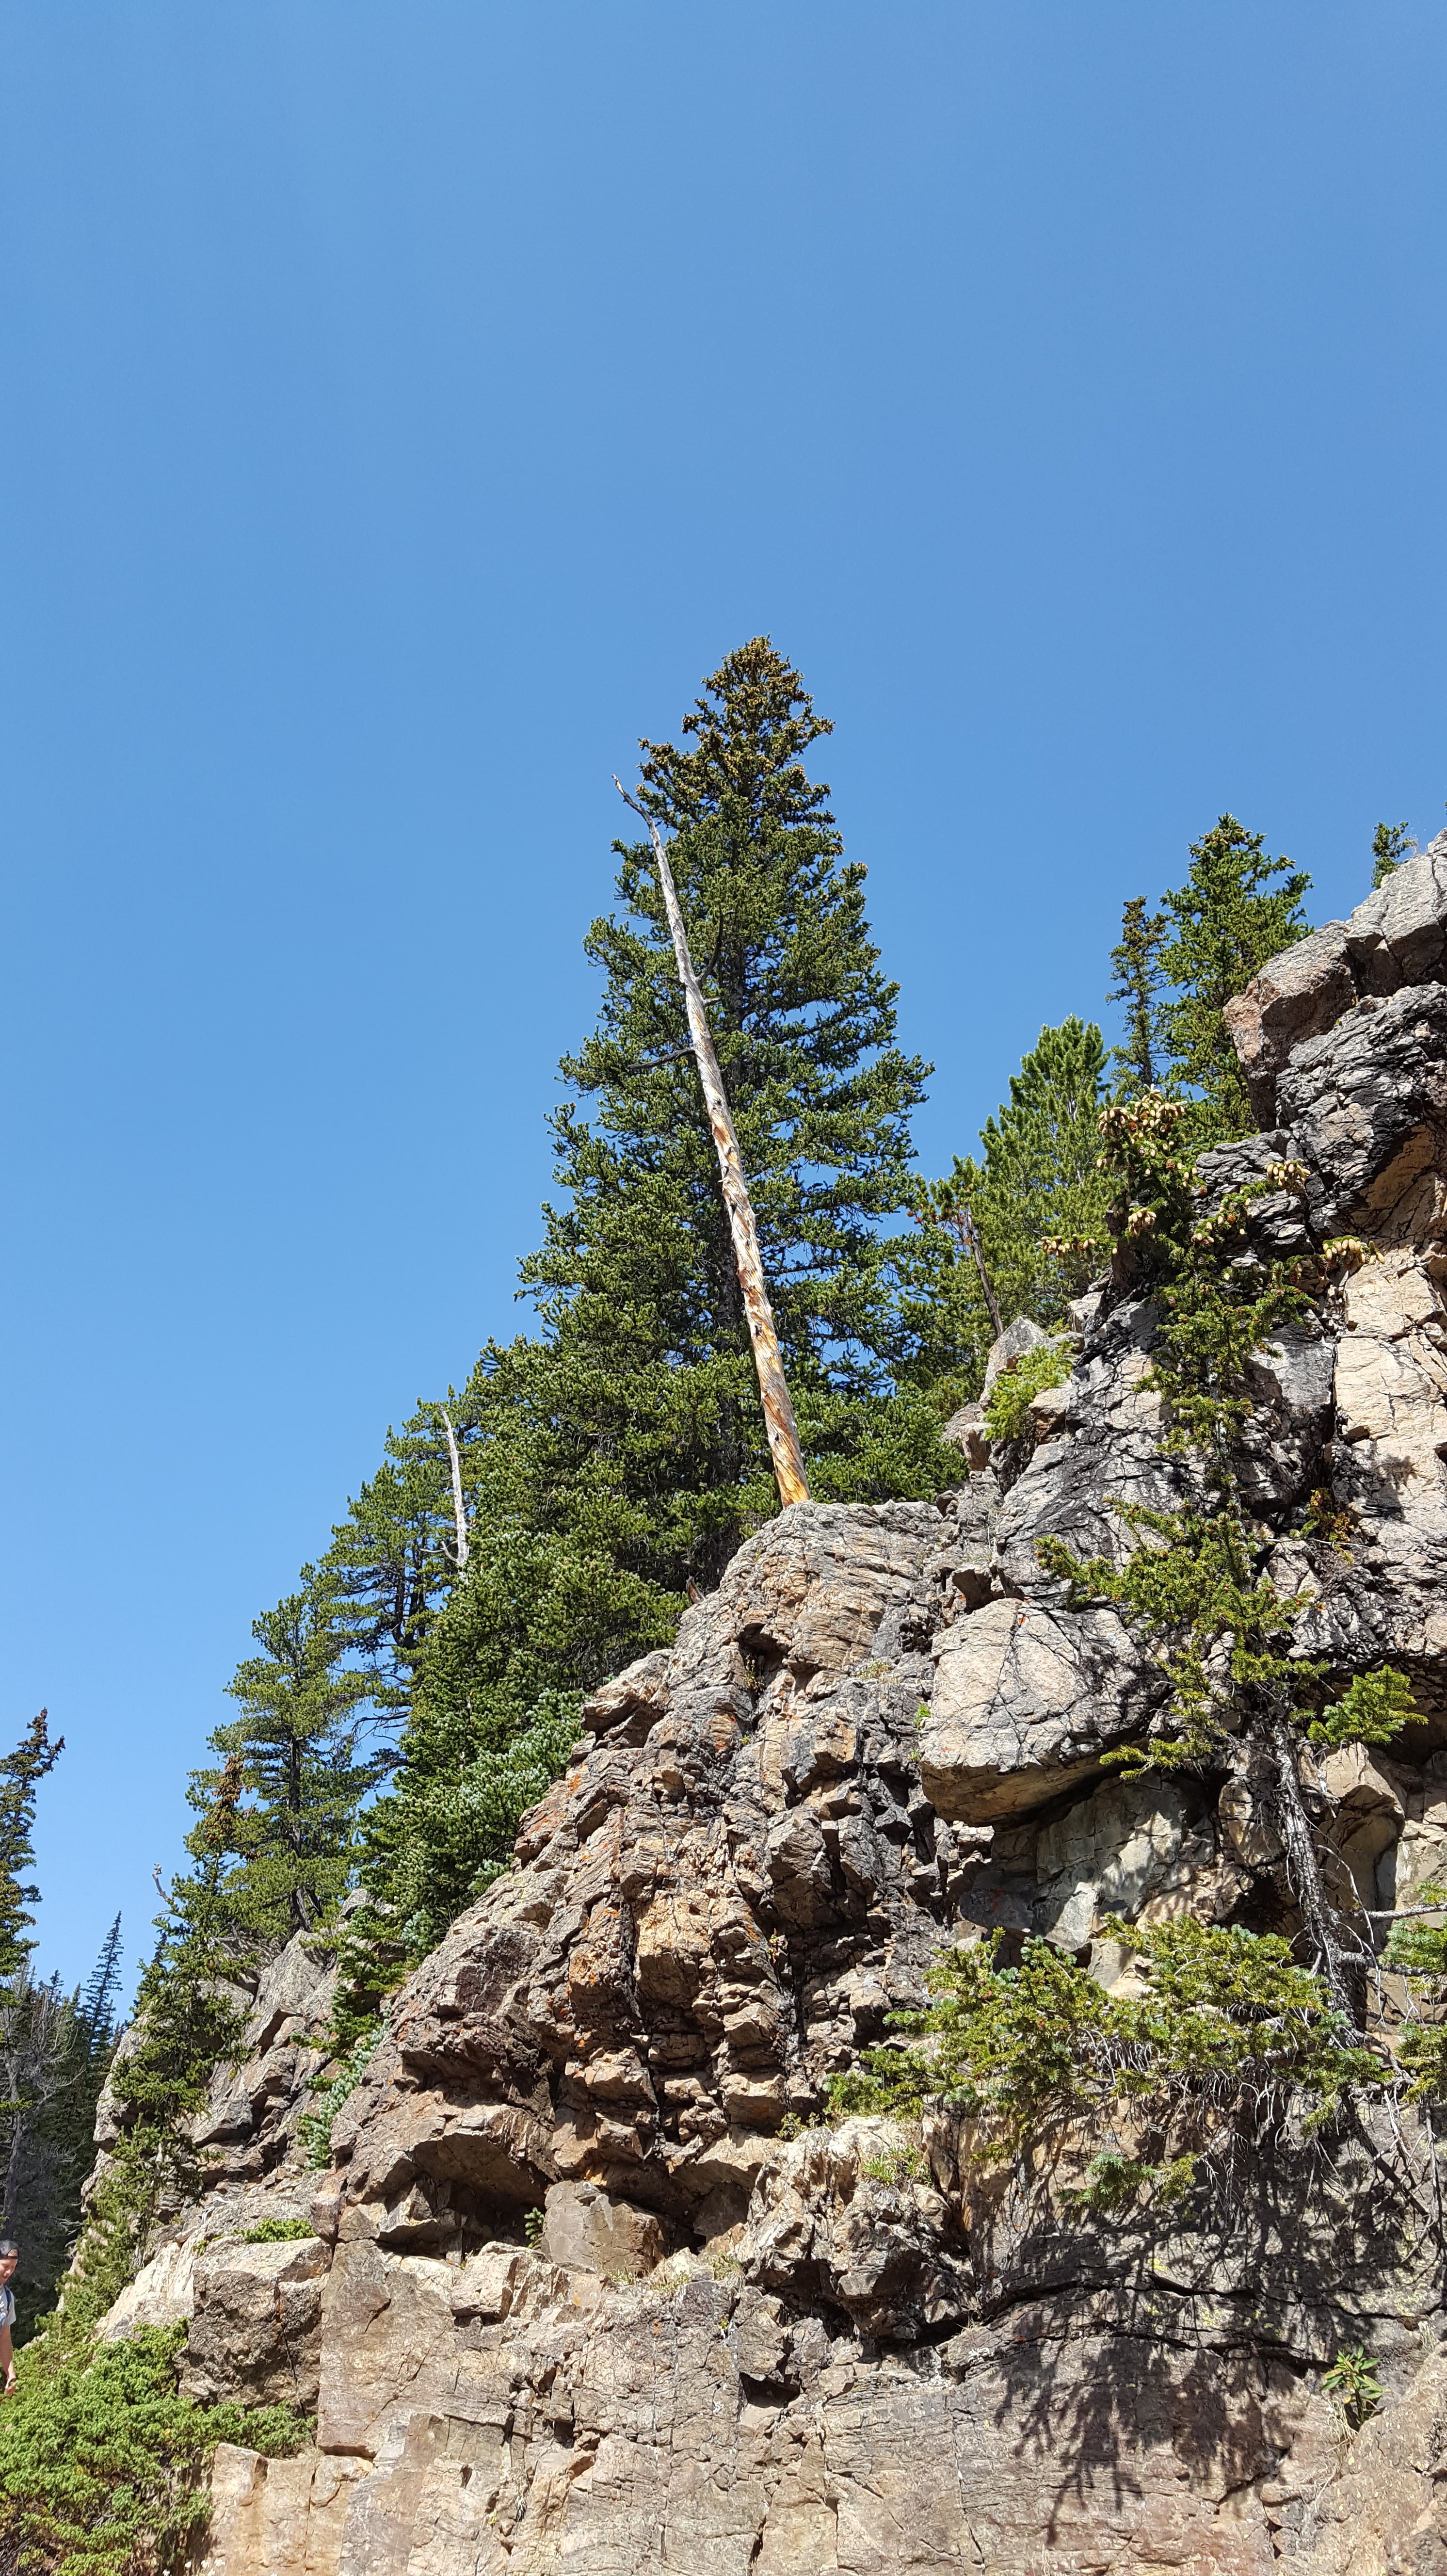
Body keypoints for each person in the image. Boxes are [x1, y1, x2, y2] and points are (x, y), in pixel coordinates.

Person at [0, 2240, 17, 2396]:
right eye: (6, 2266)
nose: (9, 2272)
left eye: (13, 2268)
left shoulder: (8, 2298)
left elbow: (4, 2339)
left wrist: (11, 2375)